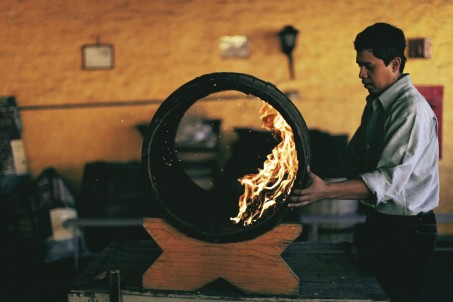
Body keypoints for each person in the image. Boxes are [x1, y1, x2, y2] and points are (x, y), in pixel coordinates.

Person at [289, 22, 439, 302]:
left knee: (397, 296)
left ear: (394, 64)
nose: (361, 74)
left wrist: (325, 192)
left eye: (369, 66)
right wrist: (296, 167)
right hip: (381, 223)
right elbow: (352, 160)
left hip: (407, 232)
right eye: (360, 65)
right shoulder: (375, 104)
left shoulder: (410, 111)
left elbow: (387, 182)